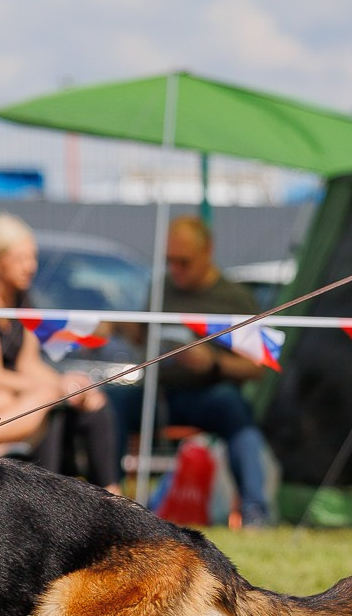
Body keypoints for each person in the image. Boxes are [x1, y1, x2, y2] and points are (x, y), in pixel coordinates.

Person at [105, 215, 274, 527]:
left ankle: (254, 511)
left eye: (184, 262)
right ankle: (110, 501)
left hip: (209, 395)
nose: (176, 271)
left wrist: (212, 362)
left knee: (235, 410)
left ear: (207, 251)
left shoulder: (234, 298)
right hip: (160, 393)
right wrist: (124, 328)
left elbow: (257, 368)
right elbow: (143, 335)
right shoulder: (162, 287)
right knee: (108, 401)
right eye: (170, 261)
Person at [0, 212, 120, 489]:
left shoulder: (21, 297)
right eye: (21, 259)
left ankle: (113, 495)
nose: (31, 267)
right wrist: (57, 387)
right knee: (49, 400)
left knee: (94, 403)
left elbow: (29, 363)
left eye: (32, 258)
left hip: (18, 395)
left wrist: (72, 384)